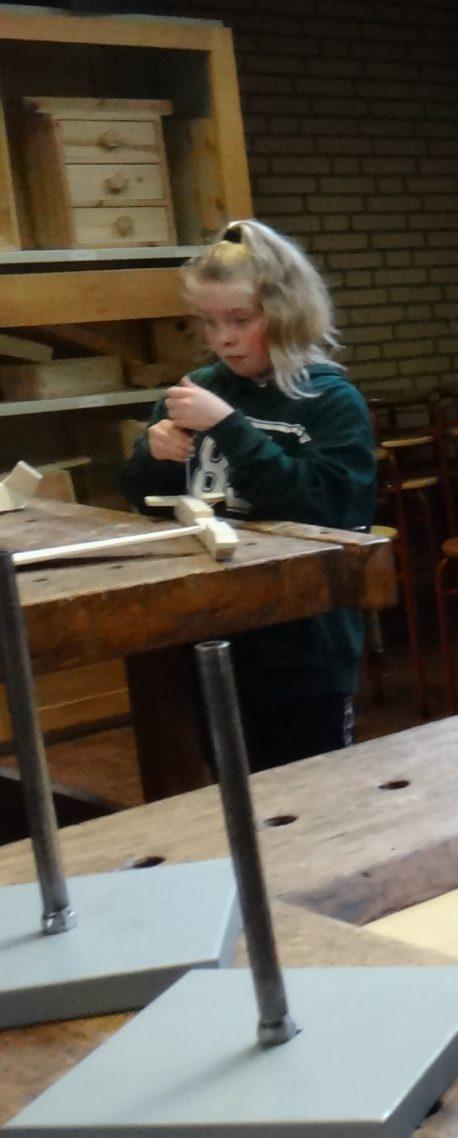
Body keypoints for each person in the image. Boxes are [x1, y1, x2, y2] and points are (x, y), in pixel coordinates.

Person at [120, 220, 376, 769]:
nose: (224, 339)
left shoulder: (330, 401)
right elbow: (146, 502)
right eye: (210, 322)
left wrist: (230, 428)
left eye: (241, 320)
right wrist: (154, 455)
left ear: (286, 314)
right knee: (232, 784)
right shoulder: (198, 390)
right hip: (213, 637)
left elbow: (327, 509)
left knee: (315, 789)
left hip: (305, 649)